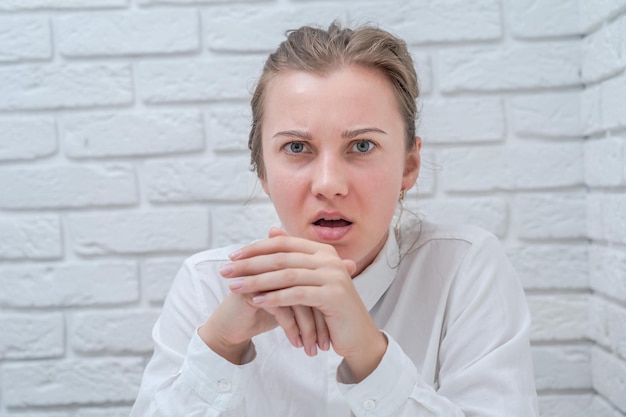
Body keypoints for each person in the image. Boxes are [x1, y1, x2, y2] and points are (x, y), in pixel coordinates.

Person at [130, 22, 539, 417]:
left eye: (362, 145)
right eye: (296, 147)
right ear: (263, 172)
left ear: (409, 165)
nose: (329, 184)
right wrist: (220, 344)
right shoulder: (207, 286)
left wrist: (369, 354)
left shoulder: (464, 269)